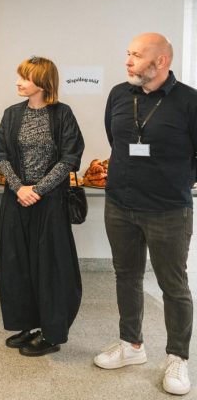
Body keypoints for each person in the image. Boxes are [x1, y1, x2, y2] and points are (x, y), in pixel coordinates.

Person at [93, 33, 196, 396]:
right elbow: (116, 140)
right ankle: (131, 345)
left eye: (136, 55)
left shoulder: (189, 101)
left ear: (161, 61)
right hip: (120, 204)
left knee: (173, 285)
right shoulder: (119, 95)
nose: (128, 61)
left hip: (168, 209)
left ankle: (177, 357)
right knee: (126, 276)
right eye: (128, 53)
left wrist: (177, 180)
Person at [0, 56, 84, 357]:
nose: (18, 82)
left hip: (50, 202)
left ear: (43, 82)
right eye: (19, 76)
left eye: (25, 78)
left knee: (50, 268)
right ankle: (28, 325)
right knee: (16, 265)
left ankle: (51, 333)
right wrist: (19, 188)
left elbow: (69, 158)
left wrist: (38, 190)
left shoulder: (62, 114)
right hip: (16, 198)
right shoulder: (12, 114)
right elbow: (2, 155)